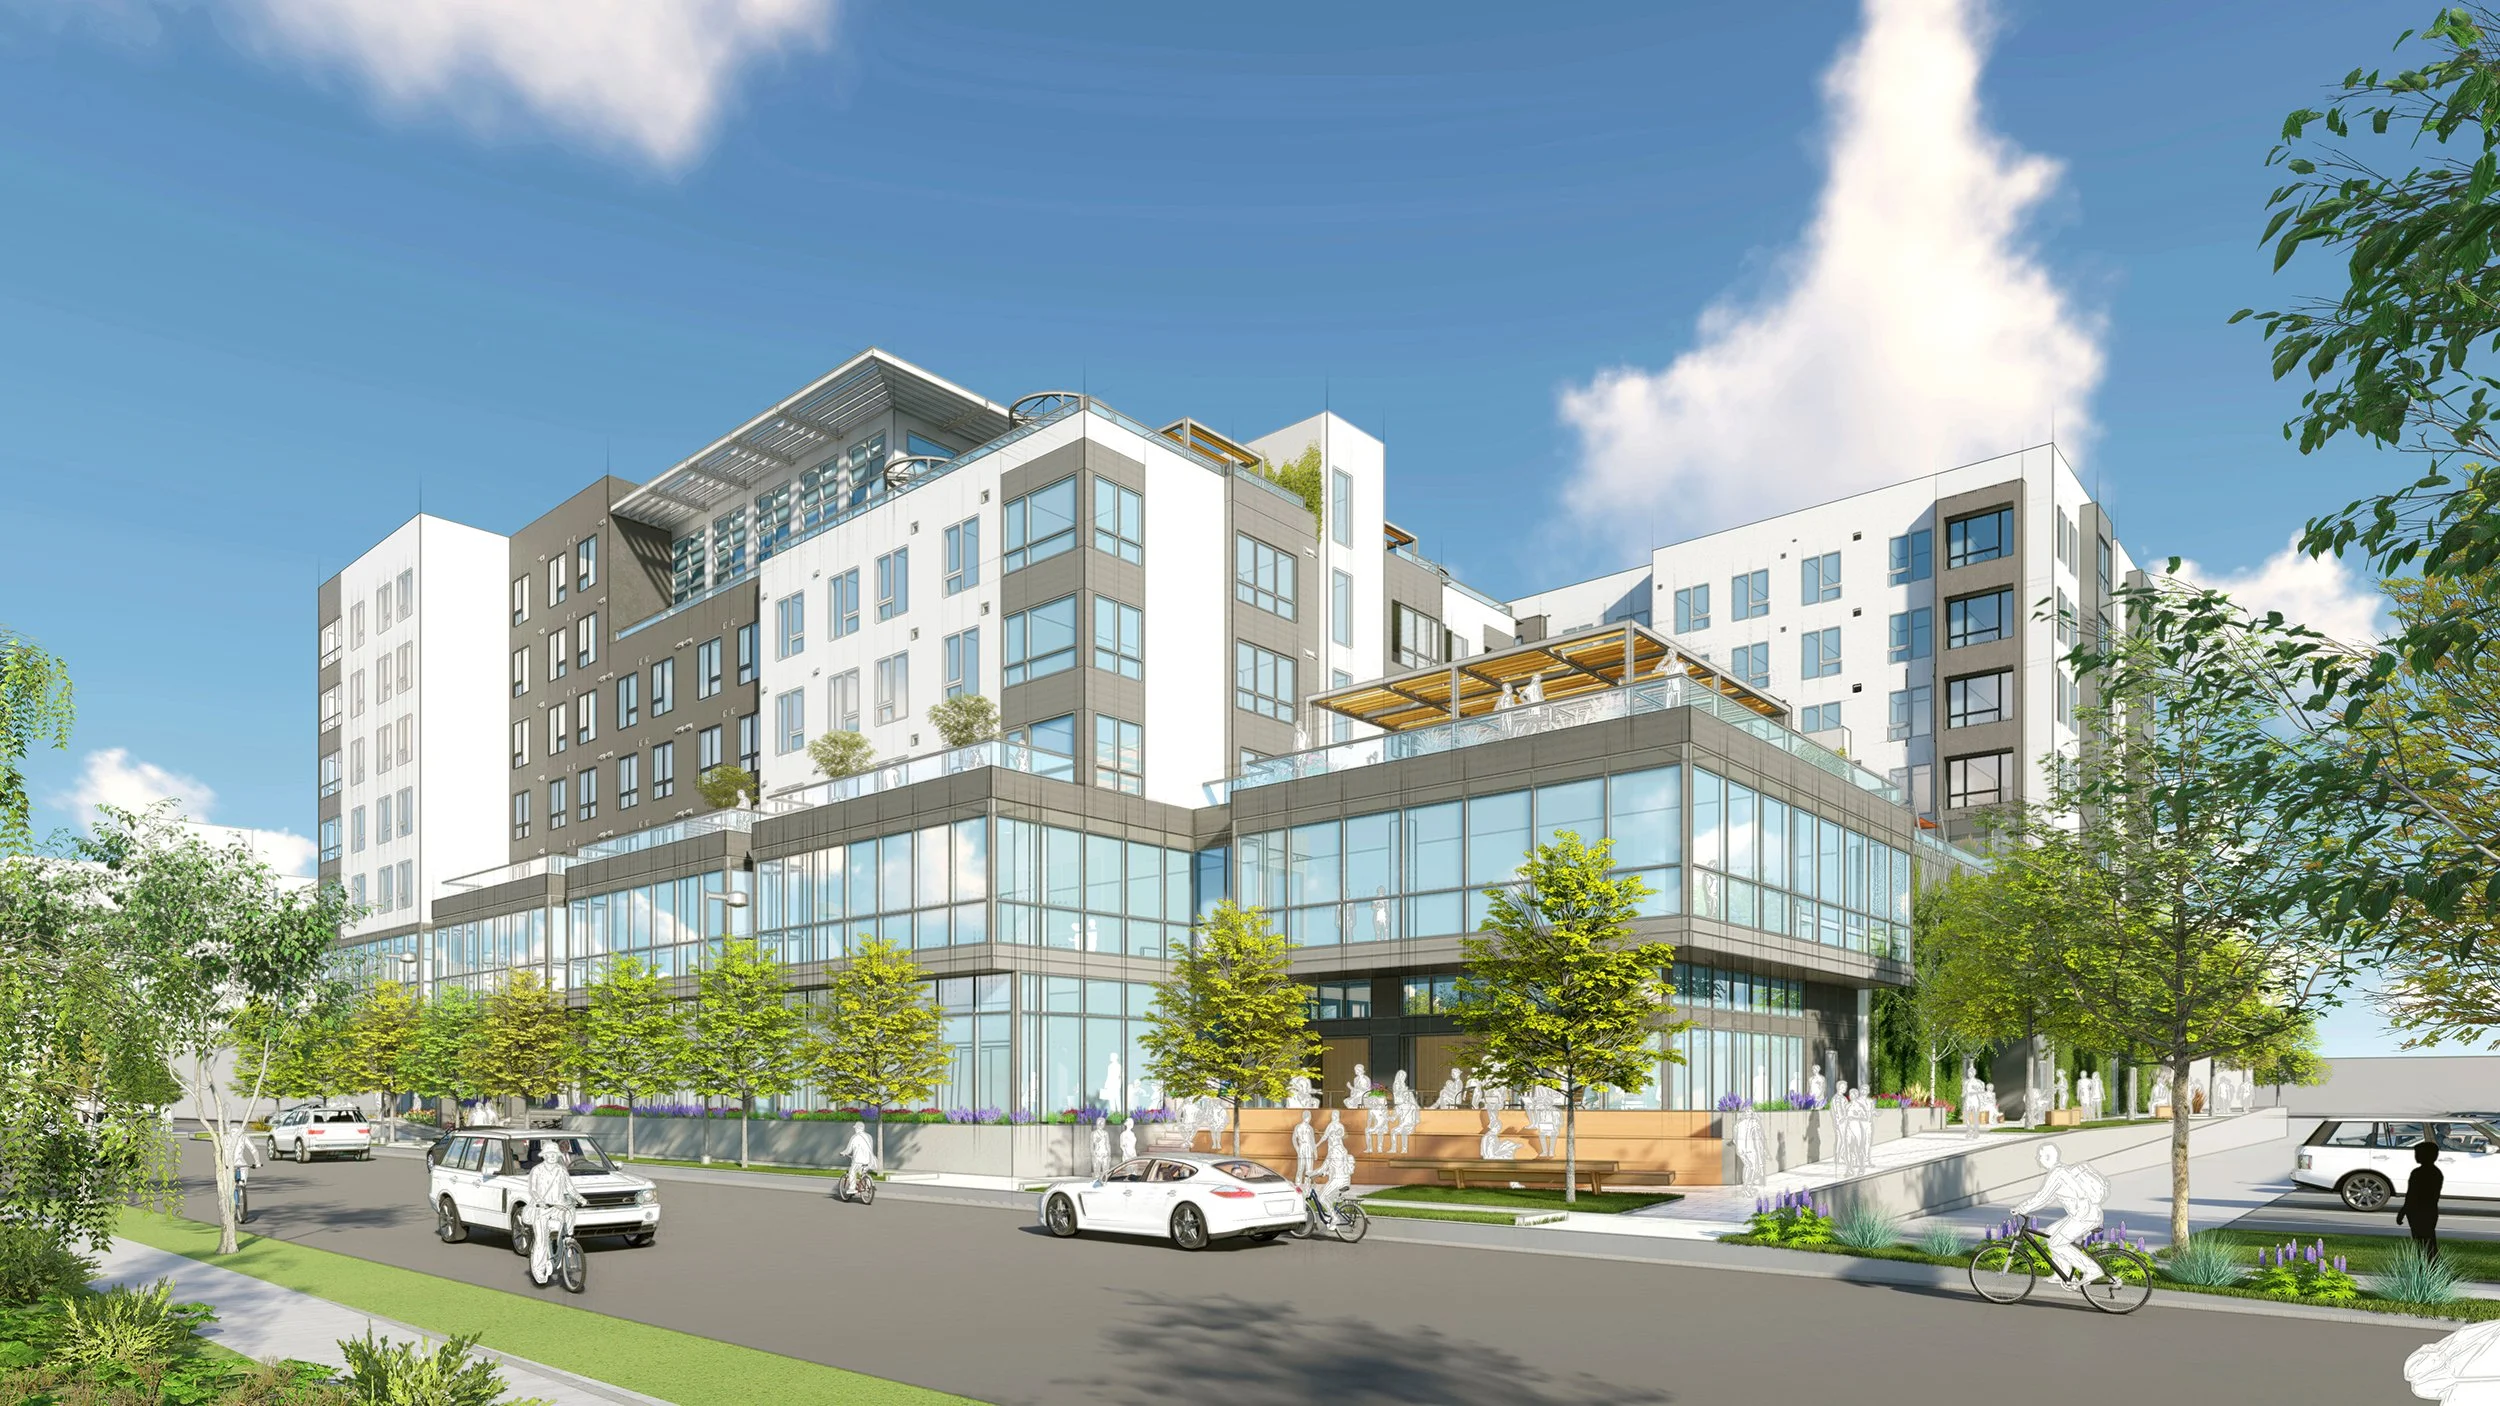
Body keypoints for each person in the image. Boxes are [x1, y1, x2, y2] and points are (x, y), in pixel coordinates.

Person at [2008, 1143, 2111, 1288]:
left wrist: (2021, 1208)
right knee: (2050, 1233)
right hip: (2082, 1213)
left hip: (2084, 1216)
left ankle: (2091, 1269)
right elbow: (2048, 1198)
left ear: (2048, 1157)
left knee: (2056, 1243)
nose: (2037, 1158)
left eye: (2040, 1155)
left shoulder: (2058, 1173)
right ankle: (2062, 1272)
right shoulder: (2061, 1171)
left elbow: (2042, 1197)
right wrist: (2027, 1208)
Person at [523, 1139, 580, 1288]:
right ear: (544, 1155)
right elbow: (532, 1189)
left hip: (557, 1207)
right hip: (541, 1209)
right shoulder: (537, 1170)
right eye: (550, 1154)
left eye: (555, 1154)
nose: (553, 1156)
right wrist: (540, 1201)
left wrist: (581, 1199)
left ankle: (568, 1241)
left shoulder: (561, 1170)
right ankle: (538, 1270)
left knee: (570, 1212)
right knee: (541, 1241)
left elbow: (570, 1188)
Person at [2400, 1138, 2446, 1262]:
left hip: (2421, 1211)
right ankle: (2427, 1266)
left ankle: (2432, 1267)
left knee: (2425, 1242)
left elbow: (2412, 1194)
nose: (2416, 1156)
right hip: (2425, 1211)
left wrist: (2404, 1210)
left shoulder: (2421, 1173)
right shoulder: (2434, 1173)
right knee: (2424, 1242)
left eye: (2419, 1154)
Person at [222, 1122, 261, 1224]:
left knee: (237, 1182)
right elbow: (253, 1149)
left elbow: (253, 1150)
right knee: (231, 1185)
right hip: (233, 1164)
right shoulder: (230, 1138)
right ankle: (231, 1200)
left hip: (235, 1164)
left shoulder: (237, 1137)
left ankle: (240, 1191)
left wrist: (257, 1162)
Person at [843, 1120, 879, 1199]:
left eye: (855, 1128)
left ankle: (852, 1188)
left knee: (852, 1172)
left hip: (858, 1160)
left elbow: (849, 1150)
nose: (855, 1129)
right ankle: (868, 1185)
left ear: (858, 1128)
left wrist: (843, 1153)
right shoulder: (869, 1136)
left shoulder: (855, 1137)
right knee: (864, 1172)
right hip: (869, 1160)